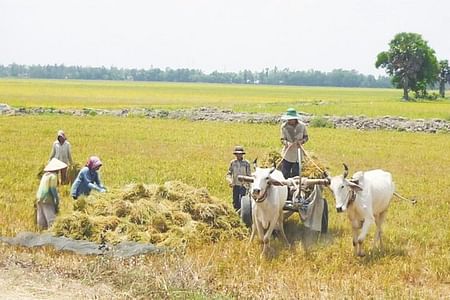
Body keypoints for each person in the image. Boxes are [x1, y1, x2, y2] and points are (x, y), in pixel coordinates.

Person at [36, 158, 67, 229]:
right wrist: (56, 199)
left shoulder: (45, 175)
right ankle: (52, 231)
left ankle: (40, 231)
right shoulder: (53, 176)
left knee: (41, 218)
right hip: (47, 198)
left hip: (39, 197)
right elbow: (53, 189)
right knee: (51, 218)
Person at [280, 108, 309, 179]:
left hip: (298, 154)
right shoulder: (284, 127)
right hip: (287, 154)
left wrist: (301, 141)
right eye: (288, 119)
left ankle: (295, 189)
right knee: (285, 174)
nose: (289, 121)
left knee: (296, 174)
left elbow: (306, 137)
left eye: (291, 119)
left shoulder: (302, 126)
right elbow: (282, 139)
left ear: (295, 119)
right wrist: (287, 143)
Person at [226, 146, 251, 211]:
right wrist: (230, 181)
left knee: (242, 201)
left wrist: (249, 185)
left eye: (240, 154)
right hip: (235, 185)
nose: (238, 155)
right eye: (237, 154)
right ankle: (236, 212)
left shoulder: (246, 163)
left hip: (244, 185)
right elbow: (229, 174)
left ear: (242, 154)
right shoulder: (233, 163)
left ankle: (242, 213)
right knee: (235, 201)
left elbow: (249, 175)